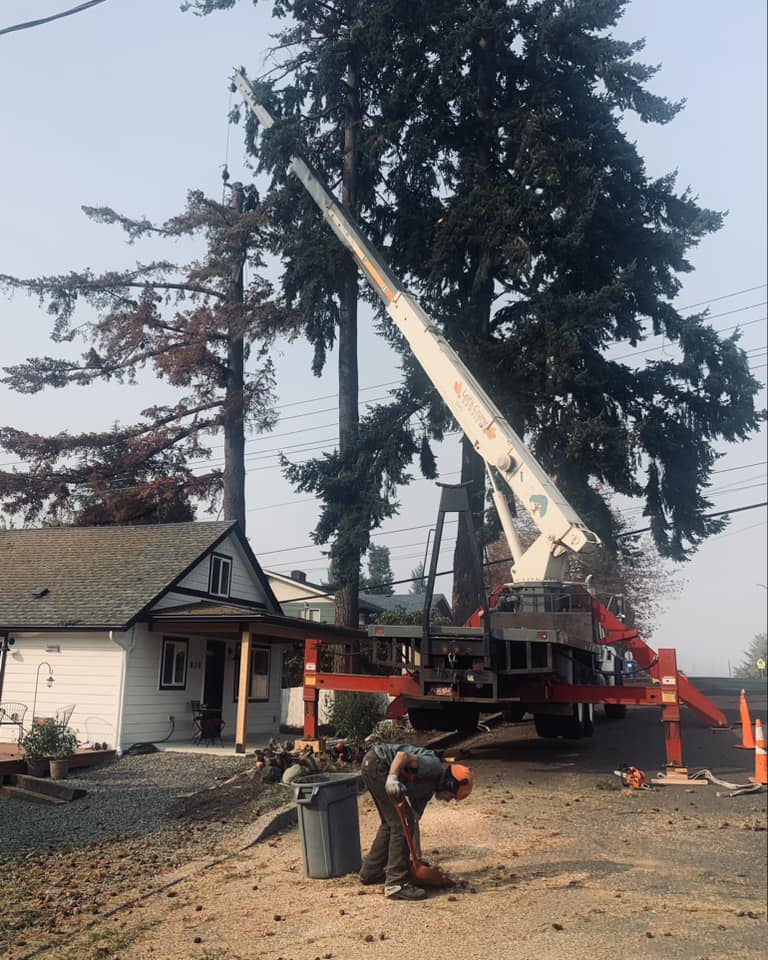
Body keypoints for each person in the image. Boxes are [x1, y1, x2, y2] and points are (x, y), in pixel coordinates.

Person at [359, 742, 473, 901]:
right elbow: (402, 756)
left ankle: (370, 872)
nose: (449, 800)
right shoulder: (433, 767)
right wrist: (392, 777)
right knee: (400, 822)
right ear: (450, 783)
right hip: (379, 765)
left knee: (393, 822)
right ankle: (396, 884)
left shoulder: (427, 790)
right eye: (452, 796)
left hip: (373, 764)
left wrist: (416, 860)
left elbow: (414, 820)